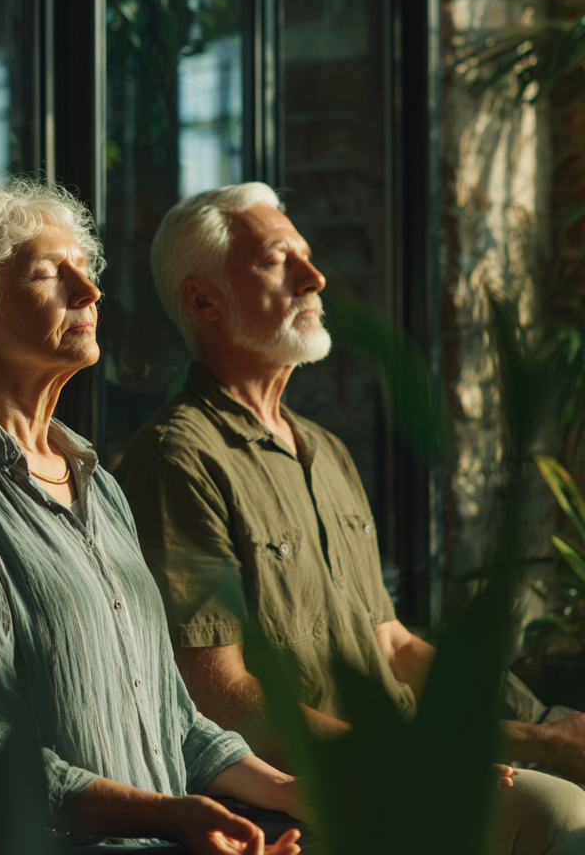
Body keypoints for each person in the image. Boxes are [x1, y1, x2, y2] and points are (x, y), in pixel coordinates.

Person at [116, 182, 585, 855]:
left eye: (307, 257)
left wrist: (544, 729)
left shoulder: (324, 449)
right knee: (565, 820)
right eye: (279, 260)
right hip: (316, 790)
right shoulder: (178, 459)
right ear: (203, 299)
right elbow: (221, 697)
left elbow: (393, 645)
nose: (315, 277)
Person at [0, 181, 306, 854]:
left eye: (85, 269)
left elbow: (174, 719)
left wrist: (290, 791)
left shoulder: (97, 483)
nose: (89, 291)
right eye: (49, 273)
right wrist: (171, 817)